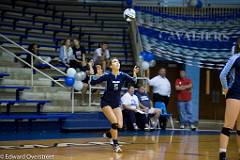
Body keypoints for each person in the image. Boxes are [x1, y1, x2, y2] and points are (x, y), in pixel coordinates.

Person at [90, 57, 139, 153]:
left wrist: (134, 73)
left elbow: (134, 82)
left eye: (118, 61)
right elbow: (92, 82)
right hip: (106, 102)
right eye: (114, 62)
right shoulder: (108, 76)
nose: (117, 63)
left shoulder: (123, 75)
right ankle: (116, 145)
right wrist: (97, 75)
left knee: (120, 125)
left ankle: (108, 134)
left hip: (116, 103)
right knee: (114, 123)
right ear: (111, 66)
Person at [219, 38, 240, 160]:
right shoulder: (235, 58)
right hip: (235, 94)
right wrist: (225, 88)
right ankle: (222, 155)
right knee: (228, 125)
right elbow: (222, 74)